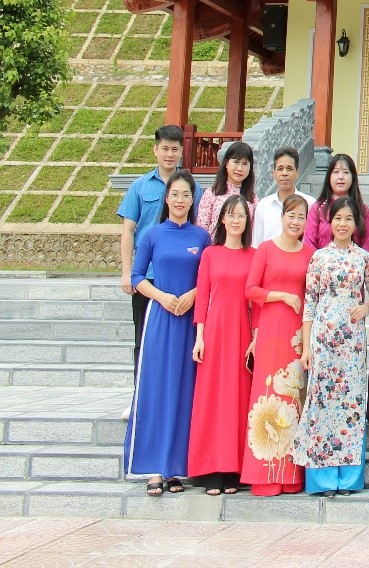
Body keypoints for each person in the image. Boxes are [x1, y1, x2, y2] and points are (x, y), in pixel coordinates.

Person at [124, 169, 210, 495]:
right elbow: (136, 277)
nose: (180, 200)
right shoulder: (152, 235)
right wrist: (161, 296)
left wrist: (193, 295)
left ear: (193, 199)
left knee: (184, 391)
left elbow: (209, 277)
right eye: (175, 194)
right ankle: (154, 468)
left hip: (190, 323)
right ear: (167, 198)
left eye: (186, 195)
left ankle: (176, 468)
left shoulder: (201, 237)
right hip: (161, 319)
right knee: (157, 388)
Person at [292, 197, 369, 496]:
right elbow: (310, 302)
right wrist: (307, 346)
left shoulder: (364, 258)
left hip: (353, 341)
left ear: (356, 224)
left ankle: (349, 479)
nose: (342, 224)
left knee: (351, 404)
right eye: (337, 218)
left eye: (348, 219)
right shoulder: (319, 258)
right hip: (324, 338)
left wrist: (366, 307)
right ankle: (323, 479)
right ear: (330, 222)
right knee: (322, 404)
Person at [241, 194, 314, 495]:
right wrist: (282, 296)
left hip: (297, 335)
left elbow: (312, 297)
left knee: (293, 398)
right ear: (282, 217)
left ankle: (290, 475)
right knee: (268, 395)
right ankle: (264, 475)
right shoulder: (266, 249)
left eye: (301, 217)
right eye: (291, 215)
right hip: (271, 330)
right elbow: (250, 289)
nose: (295, 222)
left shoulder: (309, 253)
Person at [188, 195, 256, 495]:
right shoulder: (210, 254)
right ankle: (211, 468)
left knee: (238, 399)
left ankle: (234, 469)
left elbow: (257, 301)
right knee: (212, 400)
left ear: (247, 220)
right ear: (223, 220)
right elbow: (203, 296)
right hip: (215, 332)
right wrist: (200, 337)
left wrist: (256, 338)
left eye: (241, 215)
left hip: (242, 332)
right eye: (231, 214)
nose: (236, 219)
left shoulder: (254, 255)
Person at [118, 124, 184, 374]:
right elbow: (128, 230)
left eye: (174, 149)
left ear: (181, 152)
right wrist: (127, 272)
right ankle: (140, 391)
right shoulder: (140, 186)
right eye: (165, 149)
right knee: (144, 339)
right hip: (146, 276)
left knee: (176, 340)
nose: (169, 154)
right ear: (155, 150)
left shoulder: (191, 188)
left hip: (179, 276)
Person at [304, 153, 369, 252]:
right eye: (336, 172)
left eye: (346, 172)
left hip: (356, 261)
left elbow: (368, 245)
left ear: (353, 177)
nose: (341, 177)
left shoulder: (362, 209)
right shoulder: (318, 208)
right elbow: (309, 243)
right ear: (329, 176)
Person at [252, 147, 313, 245]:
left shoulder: (310, 204)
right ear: (274, 173)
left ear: (297, 173)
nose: (284, 173)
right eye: (280, 169)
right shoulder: (263, 206)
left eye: (289, 169)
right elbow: (256, 243)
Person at [196, 141, 256, 234]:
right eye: (236, 162)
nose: (239, 168)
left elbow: (253, 232)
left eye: (245, 164)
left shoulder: (253, 199)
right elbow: (201, 229)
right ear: (227, 163)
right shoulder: (212, 193)